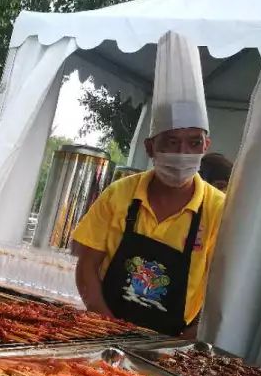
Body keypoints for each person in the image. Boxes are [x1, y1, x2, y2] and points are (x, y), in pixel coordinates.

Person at [72, 31, 226, 338]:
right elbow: (87, 267)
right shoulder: (120, 194)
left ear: (206, 144)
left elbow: (223, 292)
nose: (183, 154)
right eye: (171, 142)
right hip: (104, 329)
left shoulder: (219, 209)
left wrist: (178, 346)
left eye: (194, 143)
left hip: (171, 344)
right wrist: (106, 327)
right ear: (150, 147)